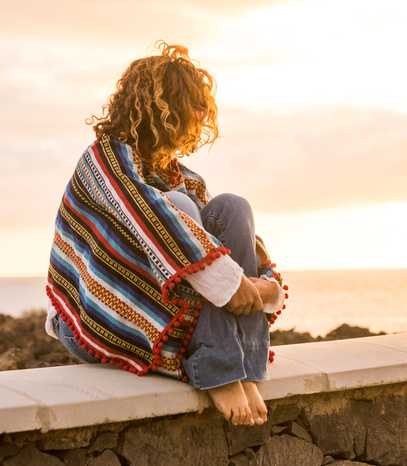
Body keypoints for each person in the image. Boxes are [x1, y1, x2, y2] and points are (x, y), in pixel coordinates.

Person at [45, 41, 286, 426]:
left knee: (232, 206)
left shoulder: (183, 177)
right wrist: (235, 283)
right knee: (182, 212)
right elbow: (157, 223)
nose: (203, 113)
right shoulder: (104, 160)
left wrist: (268, 285)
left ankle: (245, 364)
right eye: (192, 102)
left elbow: (235, 253)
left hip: (160, 320)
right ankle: (221, 370)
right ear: (164, 108)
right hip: (93, 321)